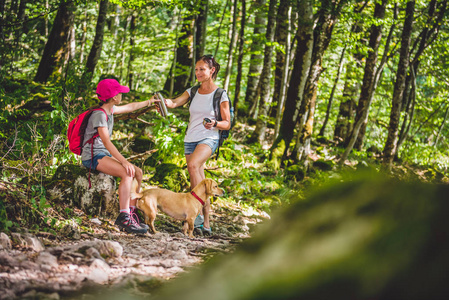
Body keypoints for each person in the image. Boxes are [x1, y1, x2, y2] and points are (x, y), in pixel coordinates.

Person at [163, 55, 231, 235]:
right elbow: (175, 102)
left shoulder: (220, 94)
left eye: (202, 69)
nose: (198, 73)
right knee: (203, 185)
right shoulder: (192, 91)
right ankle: (206, 224)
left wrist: (215, 124)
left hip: (209, 138)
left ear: (212, 71)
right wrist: (162, 102)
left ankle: (197, 217)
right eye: (196, 69)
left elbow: (227, 123)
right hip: (190, 139)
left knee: (193, 165)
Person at [82, 78, 158, 234]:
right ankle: (123, 218)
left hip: (103, 154)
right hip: (93, 156)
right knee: (127, 172)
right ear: (114, 97)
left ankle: (131, 212)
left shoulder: (110, 110)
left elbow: (131, 107)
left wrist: (149, 102)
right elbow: (107, 142)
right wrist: (124, 162)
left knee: (138, 172)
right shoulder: (99, 115)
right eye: (120, 92)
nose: (122, 95)